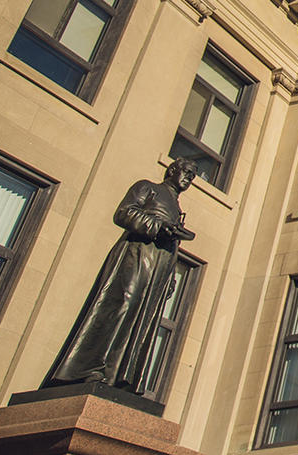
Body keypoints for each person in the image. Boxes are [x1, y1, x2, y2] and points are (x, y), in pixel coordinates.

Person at [44, 158, 198, 393]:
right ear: (173, 170)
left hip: (159, 267)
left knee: (141, 319)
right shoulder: (148, 188)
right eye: (187, 172)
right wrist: (158, 226)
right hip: (136, 257)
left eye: (193, 177)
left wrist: (170, 276)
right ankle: (88, 369)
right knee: (121, 306)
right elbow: (124, 213)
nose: (189, 179)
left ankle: (116, 376)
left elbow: (172, 247)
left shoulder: (176, 207)